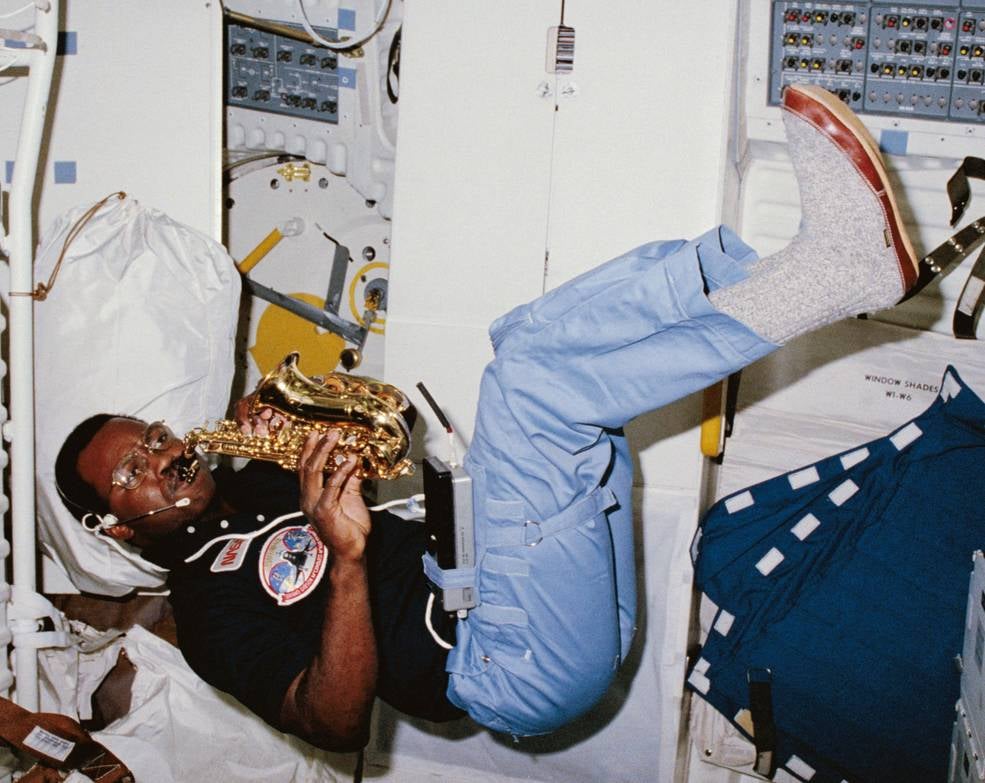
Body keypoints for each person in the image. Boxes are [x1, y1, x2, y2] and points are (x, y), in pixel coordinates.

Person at [54, 84, 921, 748]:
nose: (163, 456)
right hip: (501, 662)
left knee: (524, 341)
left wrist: (311, 421)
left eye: (155, 436)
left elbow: (395, 449)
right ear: (116, 528)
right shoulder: (206, 610)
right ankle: (833, 276)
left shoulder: (252, 474)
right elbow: (331, 722)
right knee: (531, 391)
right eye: (133, 471)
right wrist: (347, 557)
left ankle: (786, 269)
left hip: (510, 581)